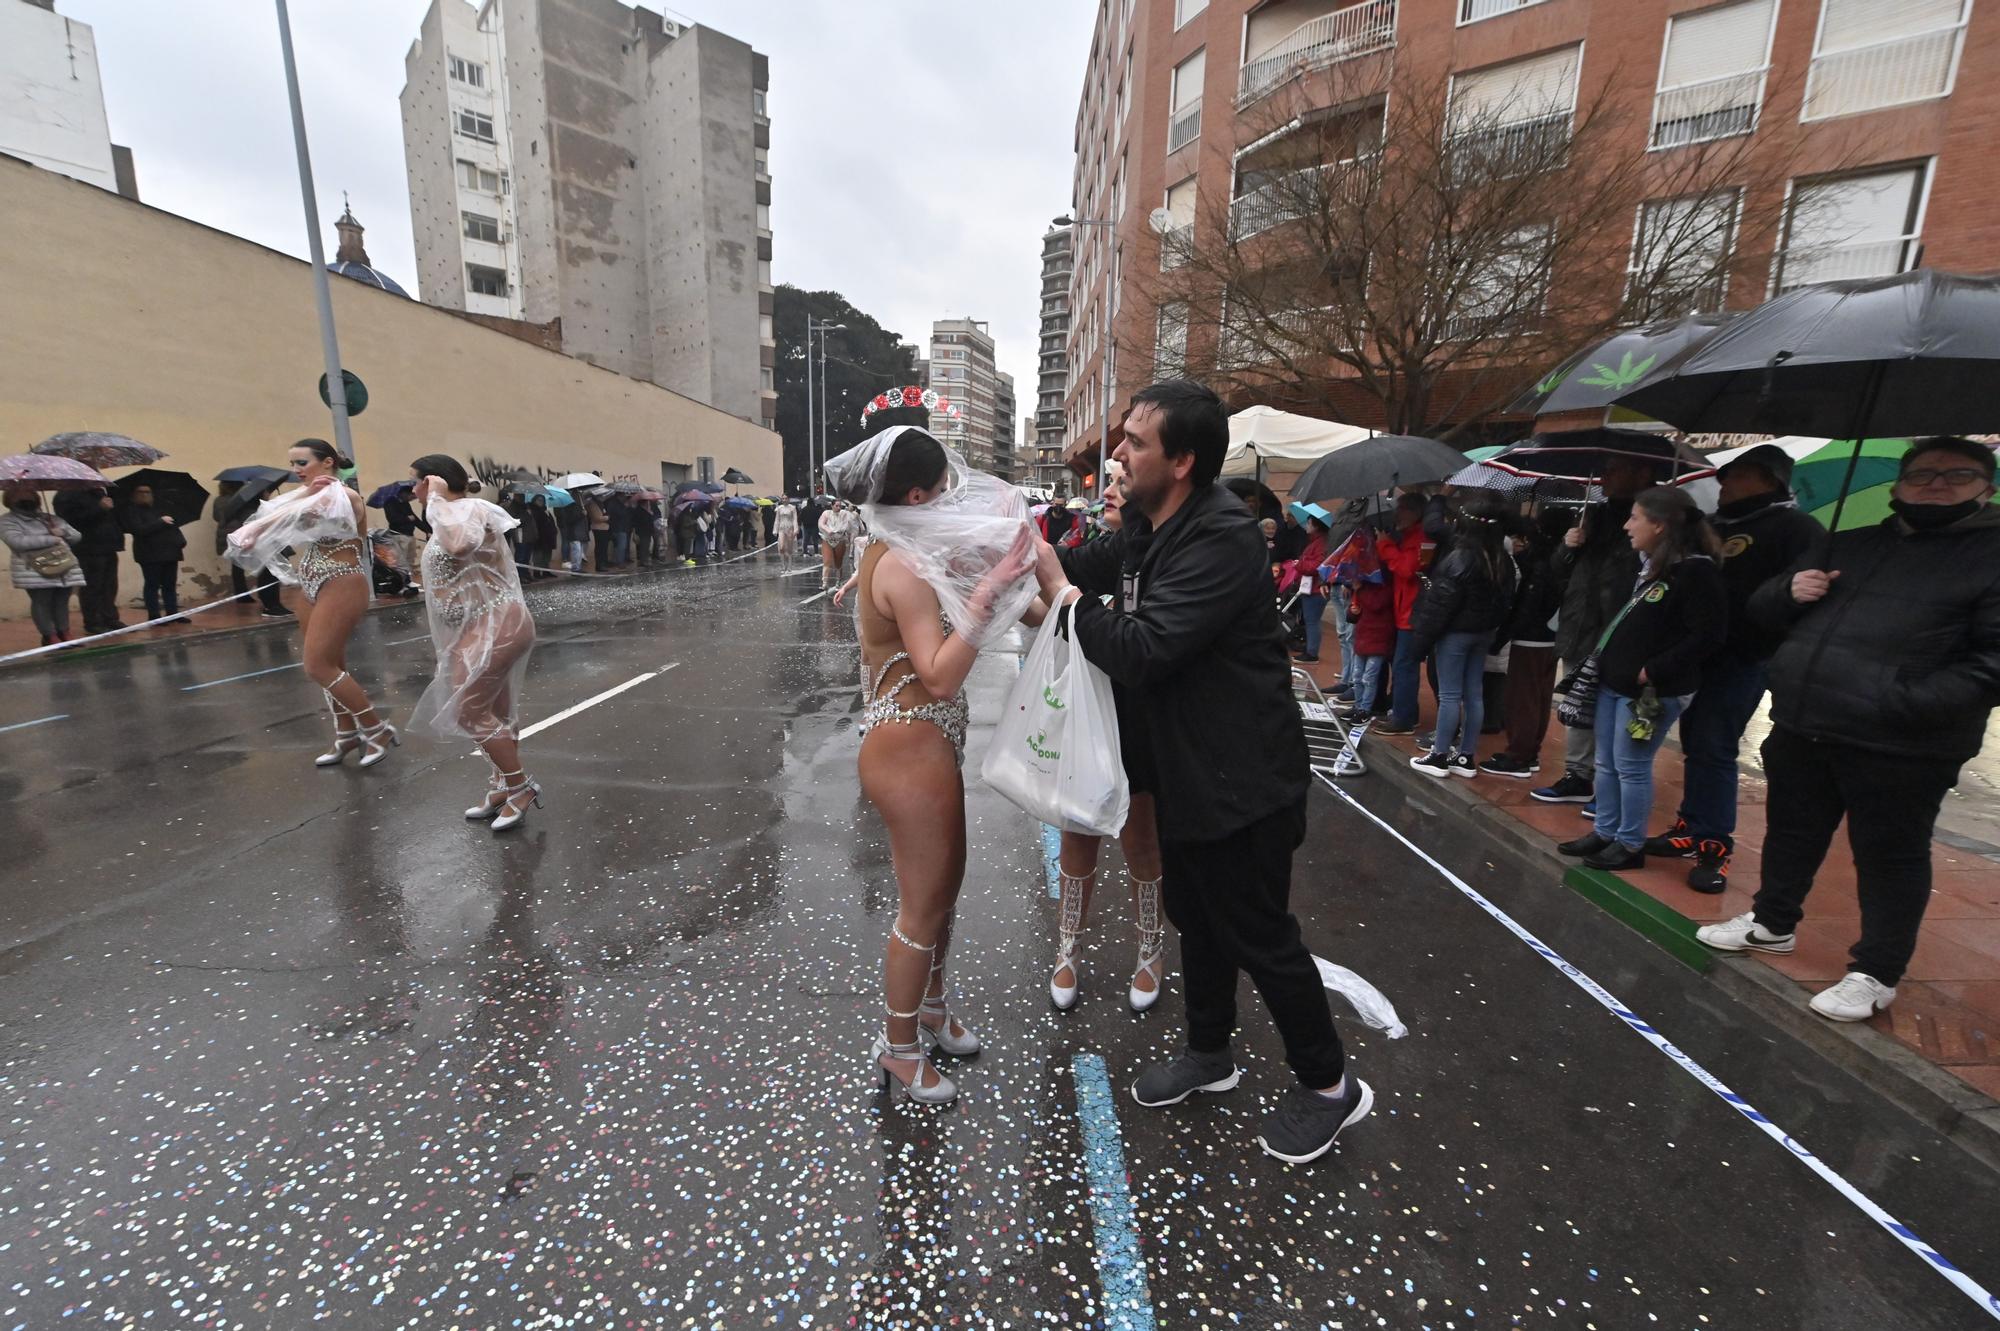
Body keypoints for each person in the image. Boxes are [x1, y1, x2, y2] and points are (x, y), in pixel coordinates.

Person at [1035, 379, 1370, 1165]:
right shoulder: (1154, 527)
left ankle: (1329, 1085)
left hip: (1243, 780)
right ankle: (1209, 1051)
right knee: (1196, 913)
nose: (1117, 454)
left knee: (1259, 932)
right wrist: (1018, 556)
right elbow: (1078, 564)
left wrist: (1065, 598)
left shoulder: (1218, 536)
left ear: (1182, 461)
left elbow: (1142, 648)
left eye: (1136, 443)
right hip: (1186, 774)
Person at [1699, 437, 2000, 1021]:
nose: (1936, 485)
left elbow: (1992, 662)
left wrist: (1907, 702)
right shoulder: (1849, 543)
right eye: (1922, 474)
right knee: (1792, 833)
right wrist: (1789, 592)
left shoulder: (1992, 556)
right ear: (1897, 485)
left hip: (1902, 742)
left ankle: (1876, 971)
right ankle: (1771, 923)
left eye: (1956, 475)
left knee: (1890, 855)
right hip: (1807, 721)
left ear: (1985, 487)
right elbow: (1763, 610)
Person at [826, 426, 1037, 1106]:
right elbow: (941, 677)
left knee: (944, 890)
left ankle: (933, 1007)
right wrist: (984, 599)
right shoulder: (904, 567)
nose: (952, 496)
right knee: (921, 906)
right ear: (916, 493)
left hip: (929, 743)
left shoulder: (900, 547)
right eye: (943, 486)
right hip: (908, 741)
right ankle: (900, 1047)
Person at [1645, 445, 1824, 891]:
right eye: (1724, 476)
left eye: (1738, 475)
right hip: (1696, 653)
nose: (1725, 484)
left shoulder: (1796, 528)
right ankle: (1690, 823)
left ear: (1769, 480)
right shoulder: (1715, 524)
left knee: (1715, 746)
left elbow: (1799, 595)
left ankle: (1714, 844)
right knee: (1693, 742)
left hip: (1745, 657)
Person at [1050, 466, 1168, 1016]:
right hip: (1091, 709)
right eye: (1109, 480)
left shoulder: (1175, 549)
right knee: (1079, 831)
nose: (1109, 491)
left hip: (1143, 717)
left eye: (1123, 479)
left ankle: (1150, 950)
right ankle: (1067, 949)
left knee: (1140, 838)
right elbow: (1054, 571)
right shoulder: (1114, 547)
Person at [1557, 487, 1726, 870]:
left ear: (1660, 525)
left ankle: (1629, 843)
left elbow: (1708, 635)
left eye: (1635, 517)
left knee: (1631, 766)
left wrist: (1655, 669)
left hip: (1652, 692)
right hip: (1612, 684)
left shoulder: (1696, 573)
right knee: (1606, 763)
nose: (1626, 525)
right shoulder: (1646, 567)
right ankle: (1604, 831)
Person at [228, 438, 396, 769]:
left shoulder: (345, 497)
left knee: (317, 666)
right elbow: (283, 515)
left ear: (328, 462)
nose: (295, 470)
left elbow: (293, 519)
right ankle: (346, 733)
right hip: (312, 584)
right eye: (293, 463)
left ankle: (377, 729)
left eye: (302, 463)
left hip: (342, 582)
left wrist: (264, 524)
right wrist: (304, 494)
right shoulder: (316, 494)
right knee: (333, 664)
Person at [407, 455, 542, 833]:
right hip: (480, 625)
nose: (413, 491)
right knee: (492, 713)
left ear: (434, 481)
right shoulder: (452, 513)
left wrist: (435, 499)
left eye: (417, 483)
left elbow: (458, 546)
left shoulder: (467, 510)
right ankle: (504, 783)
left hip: (498, 623)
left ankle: (520, 787)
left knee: (469, 711)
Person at [1532, 455, 1655, 804]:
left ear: (1642, 472)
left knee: (1616, 710)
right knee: (1579, 704)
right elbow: (1561, 571)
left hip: (1622, 630)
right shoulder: (1595, 514)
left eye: (1614, 469)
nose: (1605, 476)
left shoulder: (1656, 519)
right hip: (1581, 624)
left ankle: (1608, 784)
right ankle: (1578, 774)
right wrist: (1569, 547)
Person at [1404, 491, 1515, 777]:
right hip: (1483, 633)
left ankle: (1439, 755)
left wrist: (1420, 644)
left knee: (1451, 694)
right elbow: (1507, 602)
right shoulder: (1501, 558)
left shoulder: (1460, 558)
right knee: (1474, 694)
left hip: (1455, 634)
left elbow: (1439, 607)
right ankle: (1465, 757)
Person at [1481, 508, 1567, 778]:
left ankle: (1519, 754)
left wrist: (1503, 635)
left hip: (1532, 637)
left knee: (1523, 697)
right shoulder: (1563, 558)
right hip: (1551, 636)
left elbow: (1527, 606)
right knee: (1539, 697)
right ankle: (1529, 751)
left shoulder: (1543, 562)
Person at [1372, 493, 1429, 735]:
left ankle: (1404, 718)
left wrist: (1385, 545)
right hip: (1403, 610)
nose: (1398, 514)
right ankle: (1405, 712)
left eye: (1403, 509)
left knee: (1405, 665)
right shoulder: (1409, 536)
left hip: (1412, 612)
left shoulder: (1423, 537)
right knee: (1402, 663)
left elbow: (1408, 569)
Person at [2, 486, 86, 645]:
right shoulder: (7, 520)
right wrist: (50, 538)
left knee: (62, 601)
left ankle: (65, 632)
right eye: (20, 494)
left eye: (29, 493)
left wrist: (63, 532)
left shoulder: (49, 518)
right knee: (42, 602)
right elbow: (17, 542)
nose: (26, 497)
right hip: (34, 569)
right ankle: (49, 635)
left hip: (63, 567)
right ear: (10, 499)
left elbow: (76, 536)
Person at [56, 485, 126, 634]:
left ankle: (110, 617)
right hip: (88, 547)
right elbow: (71, 521)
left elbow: (112, 518)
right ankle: (93, 621)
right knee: (92, 586)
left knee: (110, 585)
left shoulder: (101, 493)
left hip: (108, 546)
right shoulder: (67, 495)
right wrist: (99, 508)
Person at [122, 482, 188, 623]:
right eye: (141, 492)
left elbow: (173, 526)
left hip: (170, 552)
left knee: (169, 585)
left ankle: (173, 614)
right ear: (135, 495)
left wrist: (179, 541)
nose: (145, 495)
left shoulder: (161, 508)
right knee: (152, 584)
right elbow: (138, 530)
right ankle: (154, 615)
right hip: (149, 554)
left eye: (148, 492)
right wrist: (160, 522)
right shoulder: (132, 510)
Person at [1289, 515, 1331, 663]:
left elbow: (1316, 566)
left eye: (1309, 522)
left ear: (1316, 525)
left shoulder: (1321, 543)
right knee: (1310, 620)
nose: (1306, 525)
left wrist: (1299, 564)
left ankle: (1312, 653)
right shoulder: (1317, 541)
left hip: (1315, 588)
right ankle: (1310, 650)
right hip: (1310, 586)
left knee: (1312, 621)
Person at [818, 500, 857, 589]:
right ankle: (824, 583)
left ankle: (838, 581)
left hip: (840, 539)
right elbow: (821, 523)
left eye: (840, 506)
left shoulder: (844, 514)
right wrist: (828, 530)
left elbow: (847, 524)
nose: (838, 508)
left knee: (838, 562)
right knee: (827, 561)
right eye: (836, 506)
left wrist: (840, 530)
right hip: (827, 539)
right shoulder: (826, 513)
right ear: (832, 506)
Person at [526, 495, 559, 580]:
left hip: (548, 537)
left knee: (547, 555)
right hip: (539, 536)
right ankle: (537, 572)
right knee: (538, 556)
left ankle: (546, 571)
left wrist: (554, 530)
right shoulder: (533, 511)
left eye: (542, 500)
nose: (540, 502)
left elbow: (550, 521)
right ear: (534, 501)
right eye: (538, 500)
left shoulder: (545, 510)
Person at [558, 492, 588, 573]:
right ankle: (575, 568)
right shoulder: (568, 507)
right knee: (576, 550)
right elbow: (570, 519)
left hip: (580, 532)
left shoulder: (578, 506)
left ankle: (578, 566)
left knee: (579, 550)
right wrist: (582, 514)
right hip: (573, 532)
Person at [586, 491, 611, 572]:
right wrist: (607, 518)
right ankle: (600, 565)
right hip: (598, 528)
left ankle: (604, 563)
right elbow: (596, 518)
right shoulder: (592, 504)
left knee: (604, 547)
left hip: (604, 527)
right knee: (600, 547)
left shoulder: (601, 504)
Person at [773, 497, 799, 561]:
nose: (784, 500)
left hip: (790, 528)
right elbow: (777, 519)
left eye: (786, 498)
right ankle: (783, 564)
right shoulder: (779, 508)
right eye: (783, 498)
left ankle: (789, 565)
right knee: (781, 547)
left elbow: (794, 519)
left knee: (789, 548)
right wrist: (775, 530)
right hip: (781, 528)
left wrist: (796, 528)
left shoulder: (792, 508)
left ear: (788, 499)